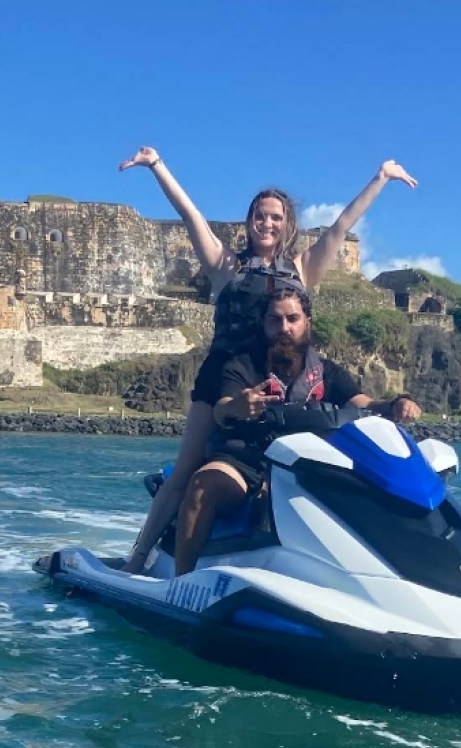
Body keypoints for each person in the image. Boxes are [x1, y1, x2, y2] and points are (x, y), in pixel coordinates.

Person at [117, 147, 417, 572]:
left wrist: (381, 178)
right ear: (249, 221)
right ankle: (137, 559)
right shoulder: (227, 265)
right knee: (185, 471)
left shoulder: (302, 268)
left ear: (287, 223)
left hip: (286, 377)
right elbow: (190, 215)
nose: (267, 222)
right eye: (260, 215)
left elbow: (341, 226)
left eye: (276, 216)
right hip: (224, 377)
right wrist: (157, 166)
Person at [173, 286, 422, 575]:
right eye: (275, 320)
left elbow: (363, 403)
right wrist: (236, 407)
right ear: (263, 324)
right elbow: (222, 408)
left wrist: (395, 404)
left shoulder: (326, 372)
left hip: (307, 464)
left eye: (292, 319)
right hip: (247, 462)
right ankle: (181, 580)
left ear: (307, 322)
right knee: (204, 484)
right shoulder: (242, 365)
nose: (284, 328)